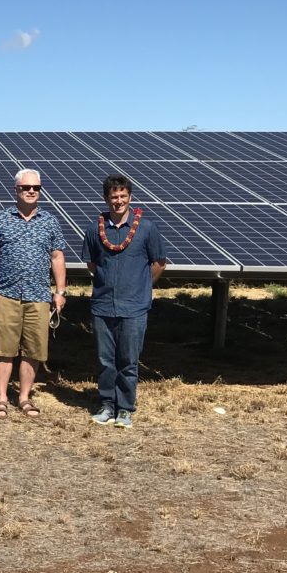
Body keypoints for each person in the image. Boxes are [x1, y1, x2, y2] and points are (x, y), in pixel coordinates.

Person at [85, 174, 167, 429]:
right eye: (113, 196)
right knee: (105, 360)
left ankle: (125, 409)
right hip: (103, 305)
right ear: (106, 199)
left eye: (123, 196)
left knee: (128, 360)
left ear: (130, 197)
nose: (118, 201)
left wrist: (141, 287)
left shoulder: (146, 228)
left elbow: (159, 263)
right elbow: (92, 264)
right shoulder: (94, 229)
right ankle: (107, 405)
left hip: (134, 307)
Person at [0, 169, 67, 419]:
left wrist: (60, 291)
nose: (31, 191)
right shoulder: (0, 220)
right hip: (6, 293)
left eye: (36, 188)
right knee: (3, 349)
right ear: (16, 190)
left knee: (33, 350)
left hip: (39, 296)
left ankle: (24, 398)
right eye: (26, 187)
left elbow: (57, 256)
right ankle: (1, 398)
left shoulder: (50, 221)